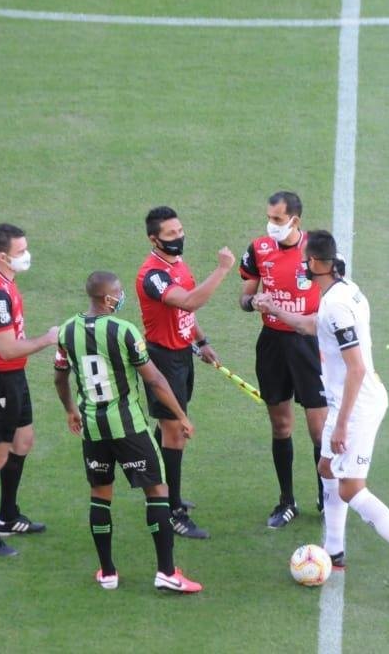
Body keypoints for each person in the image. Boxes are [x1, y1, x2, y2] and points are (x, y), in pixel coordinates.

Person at [256, 230, 389, 601]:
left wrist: (340, 426)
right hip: (347, 400)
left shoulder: (336, 305)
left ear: (319, 264)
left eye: (307, 260)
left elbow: (354, 368)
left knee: (352, 488)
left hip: (356, 407)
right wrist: (274, 309)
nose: (303, 265)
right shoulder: (342, 290)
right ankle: (334, 552)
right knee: (327, 469)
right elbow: (312, 325)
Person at [53, 271, 202, 591]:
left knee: (100, 494)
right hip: (129, 426)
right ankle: (166, 572)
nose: (122, 296)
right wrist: (180, 415)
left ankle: (107, 573)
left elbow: (59, 377)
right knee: (157, 492)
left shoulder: (66, 331)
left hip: (93, 427)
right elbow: (155, 380)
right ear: (107, 298)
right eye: (119, 292)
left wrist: (70, 410)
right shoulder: (124, 331)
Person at [135, 206, 235, 539]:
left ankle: (170, 496)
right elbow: (189, 302)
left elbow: (184, 317)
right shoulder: (153, 275)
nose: (179, 237)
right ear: (154, 239)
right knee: (175, 431)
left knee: (170, 432)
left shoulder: (176, 264)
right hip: (163, 361)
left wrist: (201, 341)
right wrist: (222, 270)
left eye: (180, 231)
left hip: (182, 357)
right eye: (171, 234)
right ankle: (173, 512)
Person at [238, 191, 327, 528]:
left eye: (277, 219)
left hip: (309, 344)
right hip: (272, 344)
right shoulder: (258, 249)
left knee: (319, 430)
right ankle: (286, 501)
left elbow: (335, 295)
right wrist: (253, 303)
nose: (271, 225)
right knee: (281, 425)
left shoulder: (317, 250)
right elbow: (244, 297)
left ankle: (325, 498)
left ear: (295, 221)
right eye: (269, 218)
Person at [0, 223, 58, 556]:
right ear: (2, 256)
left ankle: (6, 516)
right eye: (21, 252)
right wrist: (46, 340)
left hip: (12, 378)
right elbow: (6, 349)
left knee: (23, 441)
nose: (27, 255)